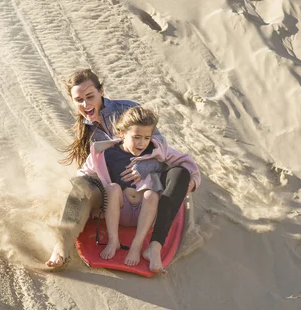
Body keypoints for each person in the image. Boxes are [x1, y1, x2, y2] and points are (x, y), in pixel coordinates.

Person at [46, 69, 199, 273]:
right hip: (115, 197)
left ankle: (154, 245)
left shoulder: (127, 110)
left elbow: (158, 146)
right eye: (79, 100)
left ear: (102, 91)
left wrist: (145, 167)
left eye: (90, 97)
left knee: (179, 173)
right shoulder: (89, 134)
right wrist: (88, 195)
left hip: (146, 191)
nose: (85, 104)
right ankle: (62, 246)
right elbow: (88, 170)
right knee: (84, 187)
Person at [77, 106, 200, 267]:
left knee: (151, 195)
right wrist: (93, 204)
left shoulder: (157, 150)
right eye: (136, 137)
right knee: (113, 188)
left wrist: (191, 183)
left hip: (146, 212)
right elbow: (83, 175)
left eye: (146, 137)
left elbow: (186, 164)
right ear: (122, 134)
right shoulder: (106, 153)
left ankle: (136, 246)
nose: (142, 143)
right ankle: (114, 241)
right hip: (120, 209)